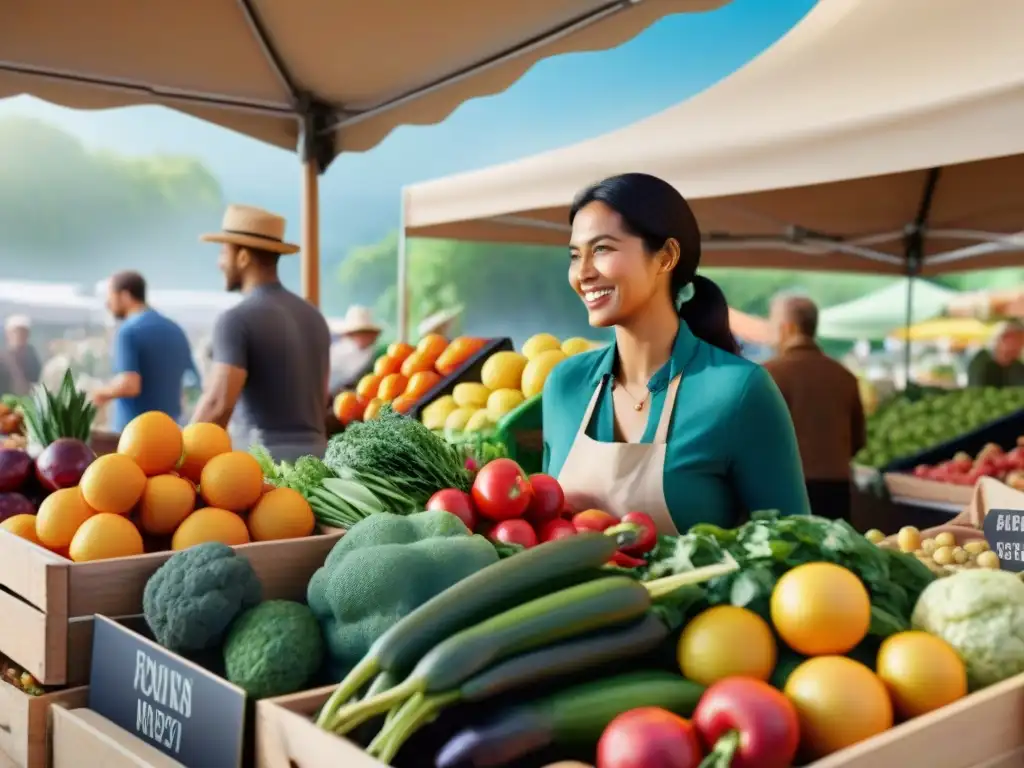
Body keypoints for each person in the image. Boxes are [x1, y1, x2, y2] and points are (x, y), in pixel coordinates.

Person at [542, 173, 809, 535]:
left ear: (666, 257)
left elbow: (794, 544)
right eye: (576, 255)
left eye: (602, 249)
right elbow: (541, 525)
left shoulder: (739, 392)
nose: (583, 273)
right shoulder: (564, 386)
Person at [193, 204, 331, 462]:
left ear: (243, 257)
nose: (219, 263)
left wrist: (178, 458)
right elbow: (321, 398)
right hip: (318, 466)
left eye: (223, 253)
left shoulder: (235, 319)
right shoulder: (314, 317)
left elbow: (217, 405)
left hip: (264, 471)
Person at [763, 292, 865, 522]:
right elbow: (858, 440)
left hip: (784, 489)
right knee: (830, 556)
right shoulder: (844, 376)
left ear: (787, 329)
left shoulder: (768, 375)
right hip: (837, 490)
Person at [91, 272, 197, 431]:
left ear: (125, 296)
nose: (107, 303)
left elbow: (130, 384)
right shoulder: (175, 329)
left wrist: (99, 394)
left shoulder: (128, 330)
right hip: (170, 431)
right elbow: (191, 383)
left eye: (110, 296)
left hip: (135, 434)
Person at [328, 306, 386, 395]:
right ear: (351, 334)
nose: (364, 337)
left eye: (366, 333)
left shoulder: (377, 354)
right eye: (360, 332)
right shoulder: (338, 353)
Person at [967, 320, 1024, 387]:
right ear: (1002, 340)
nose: (1020, 347)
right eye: (1017, 342)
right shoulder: (981, 363)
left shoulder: (1017, 366)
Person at [4, 315, 42, 386]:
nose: (19, 336)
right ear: (8, 334)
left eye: (23, 333)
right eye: (16, 332)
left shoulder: (32, 358)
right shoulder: (3, 359)